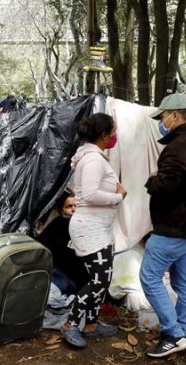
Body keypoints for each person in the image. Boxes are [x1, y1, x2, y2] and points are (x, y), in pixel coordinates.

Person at [141, 93, 186, 358]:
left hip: (173, 228)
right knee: (184, 281)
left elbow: (166, 188)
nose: (162, 121)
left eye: (163, 116)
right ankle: (184, 328)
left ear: (175, 115)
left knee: (149, 277)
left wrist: (152, 179)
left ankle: (173, 334)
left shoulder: (178, 147)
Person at [60, 113, 126, 348]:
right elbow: (88, 195)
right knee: (98, 282)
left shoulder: (92, 157)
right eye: (113, 131)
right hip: (91, 230)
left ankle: (92, 324)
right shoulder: (92, 161)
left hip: (100, 229)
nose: (115, 136)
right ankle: (70, 324)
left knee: (102, 279)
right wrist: (118, 197)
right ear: (104, 135)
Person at [36, 193, 88, 294]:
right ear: (61, 210)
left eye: (76, 205)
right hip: (59, 274)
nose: (74, 209)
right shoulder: (59, 223)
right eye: (69, 206)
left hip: (76, 278)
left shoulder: (85, 226)